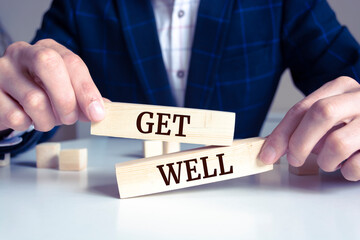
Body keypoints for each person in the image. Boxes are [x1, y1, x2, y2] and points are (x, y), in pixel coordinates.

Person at [1, 0, 360, 181]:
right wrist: (10, 114)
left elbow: (351, 71)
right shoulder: (81, 5)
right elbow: (33, 96)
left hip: (244, 209)